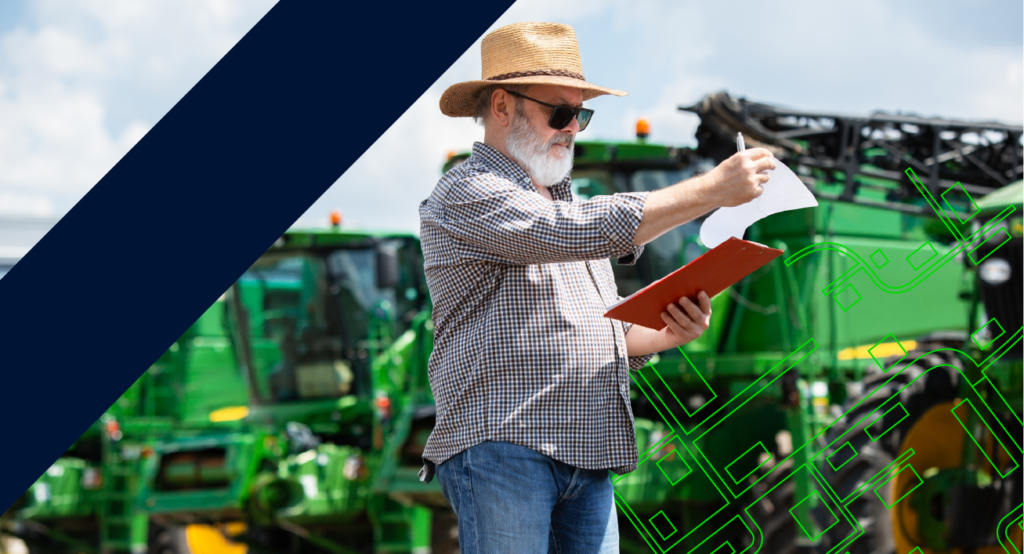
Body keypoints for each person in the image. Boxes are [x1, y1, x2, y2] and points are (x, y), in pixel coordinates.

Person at [417, 21, 776, 553]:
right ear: (500, 106)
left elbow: (595, 329)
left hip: (586, 449)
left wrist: (664, 333)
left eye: (579, 115)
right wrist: (713, 190)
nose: (570, 128)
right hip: (506, 445)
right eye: (558, 112)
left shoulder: (563, 204)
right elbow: (570, 232)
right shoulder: (468, 190)